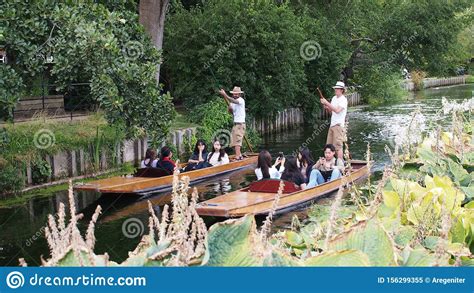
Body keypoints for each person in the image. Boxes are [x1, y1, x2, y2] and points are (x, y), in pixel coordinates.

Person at [319, 81, 348, 160]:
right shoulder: (334, 98)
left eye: (337, 89)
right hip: (332, 125)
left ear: (342, 90)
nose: (336, 90)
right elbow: (332, 112)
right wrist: (327, 107)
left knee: (338, 147)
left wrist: (326, 103)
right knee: (329, 146)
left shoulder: (343, 100)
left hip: (338, 126)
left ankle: (340, 164)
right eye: (335, 89)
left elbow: (337, 110)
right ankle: (330, 164)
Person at [219, 86, 246, 160]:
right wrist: (229, 108)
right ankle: (239, 155)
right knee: (233, 141)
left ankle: (237, 157)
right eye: (234, 94)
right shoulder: (232, 102)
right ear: (233, 94)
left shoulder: (241, 100)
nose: (235, 95)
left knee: (237, 141)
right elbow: (231, 112)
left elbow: (234, 101)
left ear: (239, 94)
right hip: (235, 124)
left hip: (240, 124)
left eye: (237, 94)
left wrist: (224, 94)